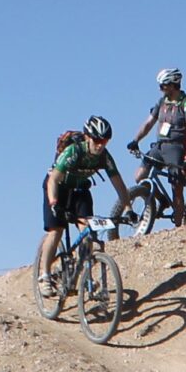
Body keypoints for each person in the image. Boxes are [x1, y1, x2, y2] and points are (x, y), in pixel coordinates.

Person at [35, 117, 133, 286]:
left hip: (80, 190)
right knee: (56, 231)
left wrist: (128, 208)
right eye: (97, 140)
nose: (101, 145)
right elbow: (53, 180)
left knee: (87, 231)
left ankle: (84, 278)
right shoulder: (73, 152)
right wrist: (54, 204)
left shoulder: (104, 157)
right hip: (58, 188)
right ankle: (45, 276)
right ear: (88, 137)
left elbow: (119, 184)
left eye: (105, 141)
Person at [127, 68, 186, 226]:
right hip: (160, 146)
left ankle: (179, 225)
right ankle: (162, 200)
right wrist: (136, 139)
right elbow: (149, 123)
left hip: (177, 148)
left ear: (173, 84)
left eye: (163, 85)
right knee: (140, 176)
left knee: (177, 187)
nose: (160, 89)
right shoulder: (162, 102)